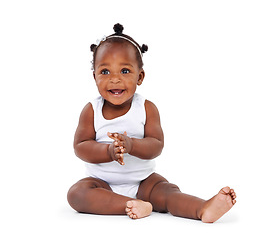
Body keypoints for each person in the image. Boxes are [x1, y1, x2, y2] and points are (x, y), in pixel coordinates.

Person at [67, 23, 236, 222]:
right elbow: (80, 146)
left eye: (124, 71)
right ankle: (131, 204)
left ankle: (203, 208)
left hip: (144, 182)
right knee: (77, 194)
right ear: (94, 76)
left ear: (140, 77)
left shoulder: (146, 108)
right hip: (102, 183)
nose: (114, 79)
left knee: (168, 192)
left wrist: (130, 145)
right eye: (105, 72)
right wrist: (109, 151)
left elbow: (156, 145)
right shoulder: (91, 110)